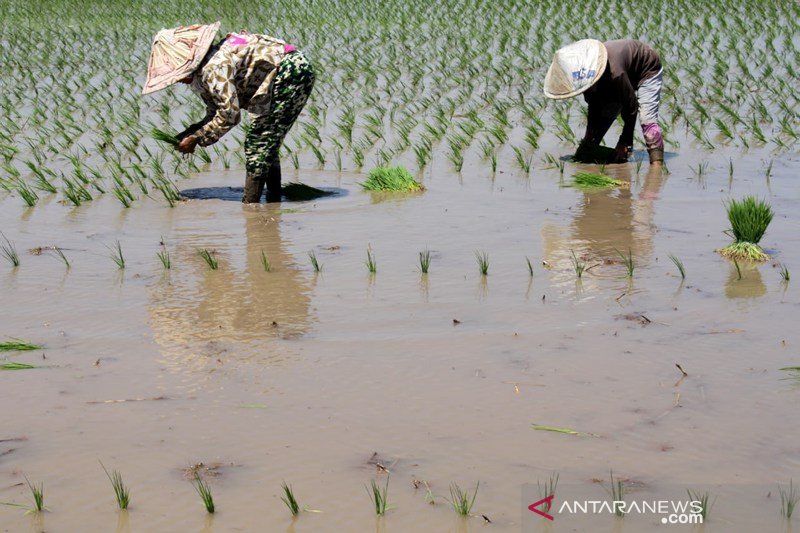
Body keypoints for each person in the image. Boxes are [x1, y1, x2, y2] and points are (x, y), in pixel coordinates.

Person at [142, 22, 315, 202]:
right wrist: (189, 133)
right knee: (265, 142)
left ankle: (251, 206)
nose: (177, 81)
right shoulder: (205, 70)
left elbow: (230, 115)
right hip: (288, 69)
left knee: (259, 142)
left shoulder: (213, 68)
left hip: (291, 73)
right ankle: (273, 199)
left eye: (176, 75)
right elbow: (215, 112)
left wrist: (196, 139)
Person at [543, 39, 664, 166]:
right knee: (607, 108)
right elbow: (594, 107)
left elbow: (631, 106)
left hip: (647, 68)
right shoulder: (585, 78)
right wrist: (589, 139)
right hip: (622, 72)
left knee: (647, 120)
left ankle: (656, 166)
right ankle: (591, 146)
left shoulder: (615, 73)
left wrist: (625, 141)